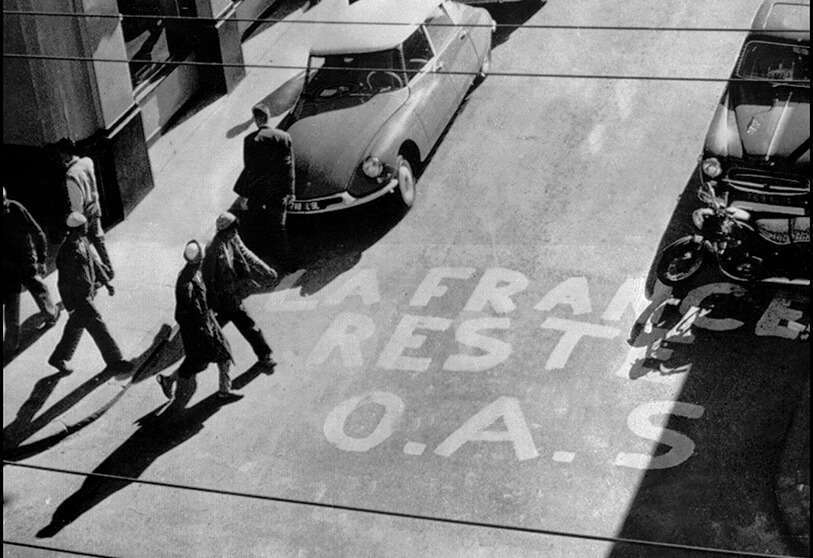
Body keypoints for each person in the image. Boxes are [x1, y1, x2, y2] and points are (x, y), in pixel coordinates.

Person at [157, 241, 242, 400]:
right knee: (222, 356)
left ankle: (168, 380)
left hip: (199, 328)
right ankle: (224, 391)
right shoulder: (189, 282)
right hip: (201, 329)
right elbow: (196, 310)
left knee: (196, 361)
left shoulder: (188, 274)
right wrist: (207, 329)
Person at [48, 212, 129, 374]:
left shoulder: (83, 241)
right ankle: (115, 361)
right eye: (84, 226)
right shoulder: (66, 253)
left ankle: (58, 358)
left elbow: (95, 263)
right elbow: (63, 283)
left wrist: (106, 283)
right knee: (99, 326)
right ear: (75, 229)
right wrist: (70, 306)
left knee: (75, 328)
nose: (87, 228)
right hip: (80, 299)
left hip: (88, 293)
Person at [202, 212, 277, 366]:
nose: (235, 233)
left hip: (233, 291)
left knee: (218, 329)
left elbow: (245, 253)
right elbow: (208, 278)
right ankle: (264, 356)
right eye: (232, 230)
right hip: (225, 298)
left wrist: (265, 269)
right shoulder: (213, 249)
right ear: (224, 231)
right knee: (248, 325)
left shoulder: (233, 238)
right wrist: (213, 301)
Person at [234, 103, 295, 270]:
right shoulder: (283, 137)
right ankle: (287, 264)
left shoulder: (250, 140)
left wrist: (246, 194)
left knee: (257, 224)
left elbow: (249, 169)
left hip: (259, 191)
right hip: (278, 191)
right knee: (279, 228)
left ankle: (259, 261)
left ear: (256, 120)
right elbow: (289, 167)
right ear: (269, 117)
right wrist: (291, 192)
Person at [2, 187, 60, 353]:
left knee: (37, 289)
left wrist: (41, 259)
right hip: (8, 267)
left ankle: (51, 314)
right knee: (12, 303)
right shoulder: (13, 208)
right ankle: (11, 343)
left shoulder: (17, 208)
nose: (4, 208)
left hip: (25, 261)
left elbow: (38, 232)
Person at [54, 138, 114, 278]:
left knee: (86, 247)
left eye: (61, 155)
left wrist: (76, 220)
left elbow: (77, 203)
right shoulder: (88, 162)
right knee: (99, 240)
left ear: (66, 154)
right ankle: (109, 269)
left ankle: (101, 273)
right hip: (95, 206)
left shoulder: (70, 176)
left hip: (84, 215)